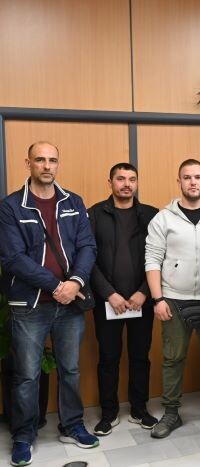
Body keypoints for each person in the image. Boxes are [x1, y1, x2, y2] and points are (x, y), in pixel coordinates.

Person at [0, 141, 99, 466]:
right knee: (27, 375)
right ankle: (23, 435)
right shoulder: (11, 206)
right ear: (27, 163)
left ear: (58, 164)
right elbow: (13, 258)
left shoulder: (74, 202)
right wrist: (57, 286)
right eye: (40, 159)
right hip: (29, 306)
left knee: (70, 369)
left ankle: (72, 425)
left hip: (70, 304)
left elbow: (87, 246)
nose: (46, 165)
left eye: (52, 160)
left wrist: (75, 282)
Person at [144, 159, 200, 438]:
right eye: (187, 177)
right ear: (178, 181)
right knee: (172, 357)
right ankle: (171, 412)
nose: (193, 182)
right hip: (173, 298)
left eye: (198, 177)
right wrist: (158, 299)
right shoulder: (163, 218)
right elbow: (152, 259)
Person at [88, 163, 159, 436]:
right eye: (120, 179)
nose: (126, 184)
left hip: (142, 300)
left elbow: (160, 257)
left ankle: (140, 409)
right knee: (108, 358)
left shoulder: (151, 215)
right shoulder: (95, 214)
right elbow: (88, 258)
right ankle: (109, 413)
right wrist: (110, 293)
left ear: (137, 183)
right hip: (108, 301)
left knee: (140, 357)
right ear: (110, 183)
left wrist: (144, 292)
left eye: (132, 179)